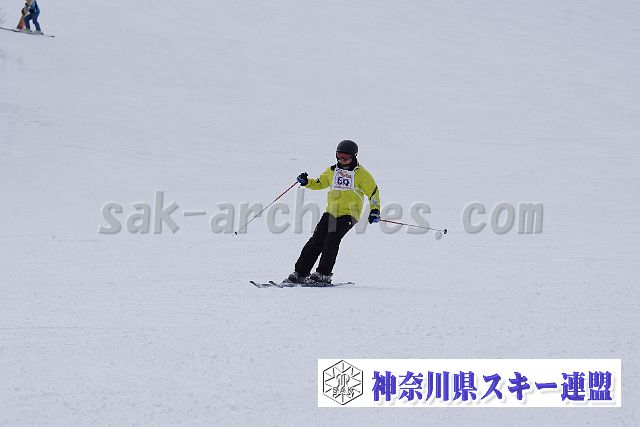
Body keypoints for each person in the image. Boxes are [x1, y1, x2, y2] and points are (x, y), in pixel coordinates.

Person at [287, 140, 381, 285]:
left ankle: (323, 274)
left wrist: (375, 209)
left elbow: (373, 192)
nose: (342, 160)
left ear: (354, 156)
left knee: (332, 239)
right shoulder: (332, 171)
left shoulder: (362, 174)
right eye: (339, 156)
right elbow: (320, 183)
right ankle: (300, 273)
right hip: (331, 212)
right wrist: (306, 182)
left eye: (346, 157)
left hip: (349, 214)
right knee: (316, 240)